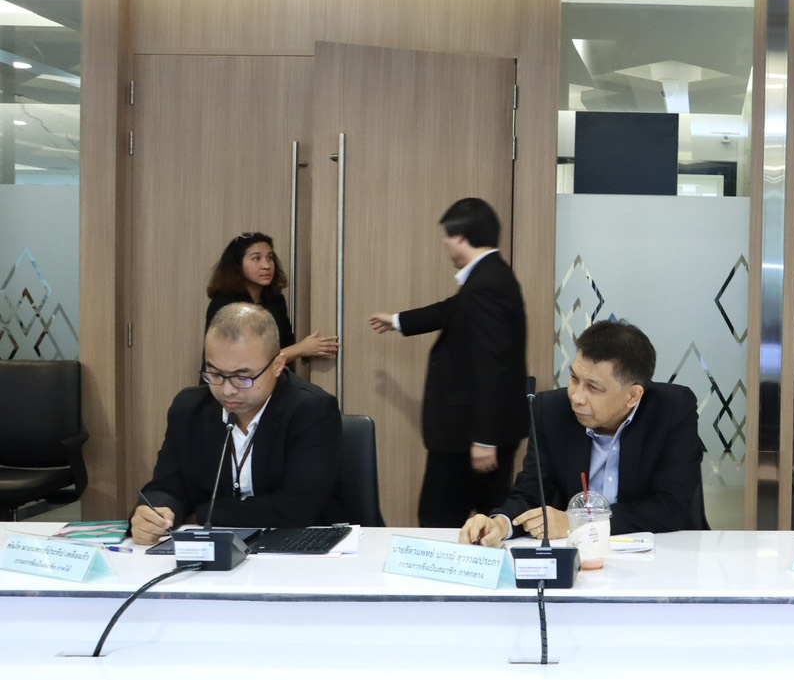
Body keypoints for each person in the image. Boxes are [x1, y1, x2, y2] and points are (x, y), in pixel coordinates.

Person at [460, 319, 702, 546]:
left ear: (632, 396)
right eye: (574, 378)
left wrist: (579, 522)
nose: (576, 397)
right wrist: (501, 523)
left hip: (663, 552)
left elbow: (670, 507)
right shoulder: (550, 411)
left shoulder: (673, 410)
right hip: (577, 554)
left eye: (593, 387)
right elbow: (532, 494)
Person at [369, 198, 529, 529]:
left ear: (460, 237)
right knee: (478, 521)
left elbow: (494, 366)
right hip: (470, 432)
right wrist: (398, 321)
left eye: (446, 236)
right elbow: (450, 310)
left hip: (469, 436)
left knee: (440, 520)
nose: (443, 244)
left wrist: (484, 439)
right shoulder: (489, 277)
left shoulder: (487, 285)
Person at [130, 303, 342, 546]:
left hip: (298, 547)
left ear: (277, 365)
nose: (227, 390)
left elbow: (295, 507)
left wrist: (202, 515)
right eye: (215, 374)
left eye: (242, 377)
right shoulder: (189, 409)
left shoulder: (311, 410)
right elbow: (167, 485)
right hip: (213, 553)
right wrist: (156, 512)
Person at [204, 232, 338, 367]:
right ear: (237, 265)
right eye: (256, 258)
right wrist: (301, 349)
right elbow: (242, 361)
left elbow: (284, 345)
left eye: (269, 258)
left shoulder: (276, 301)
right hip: (233, 379)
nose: (266, 265)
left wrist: (303, 351)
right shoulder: (224, 305)